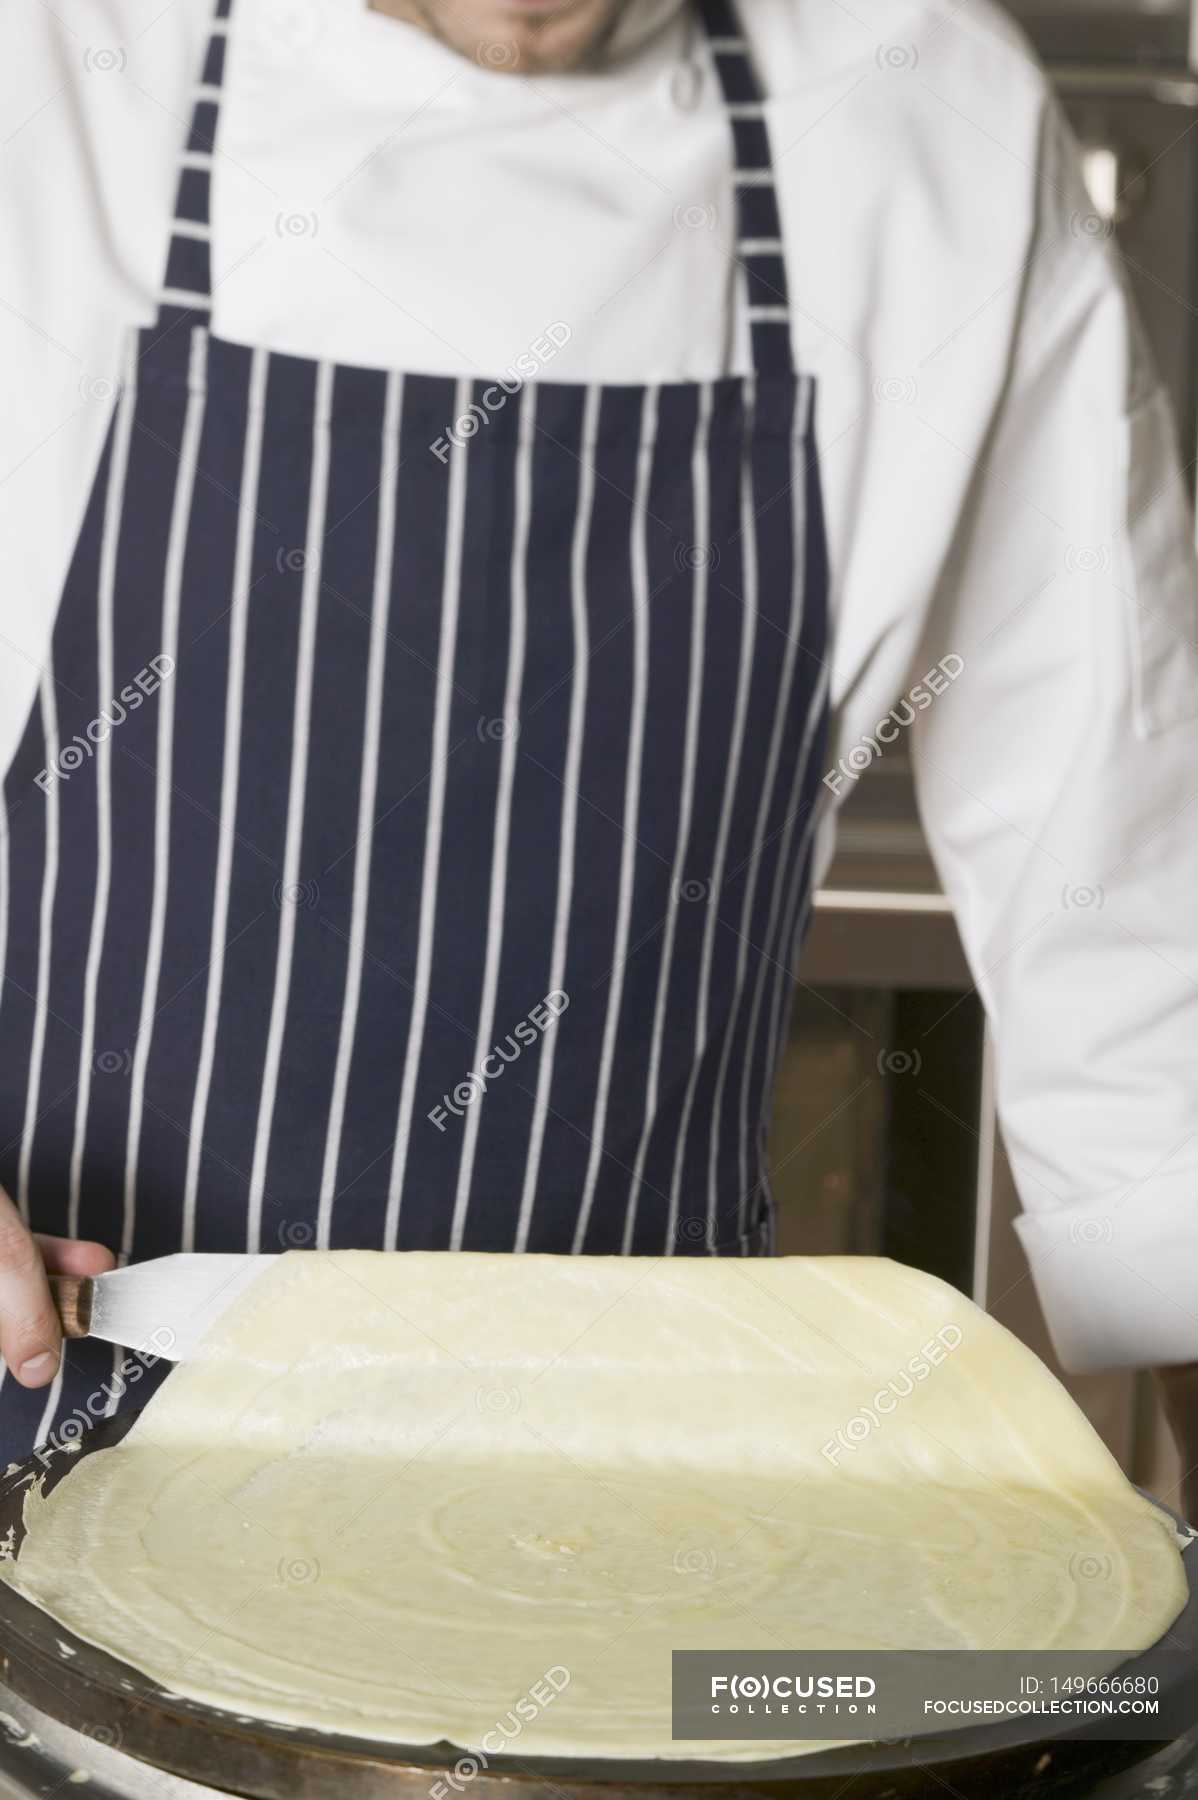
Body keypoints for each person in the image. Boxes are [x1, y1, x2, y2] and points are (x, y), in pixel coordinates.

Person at [0, 0, 1195, 1504]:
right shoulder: (51, 63)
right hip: (42, 1453)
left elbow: (1133, 926)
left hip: (638, 1500)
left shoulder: (915, 106)